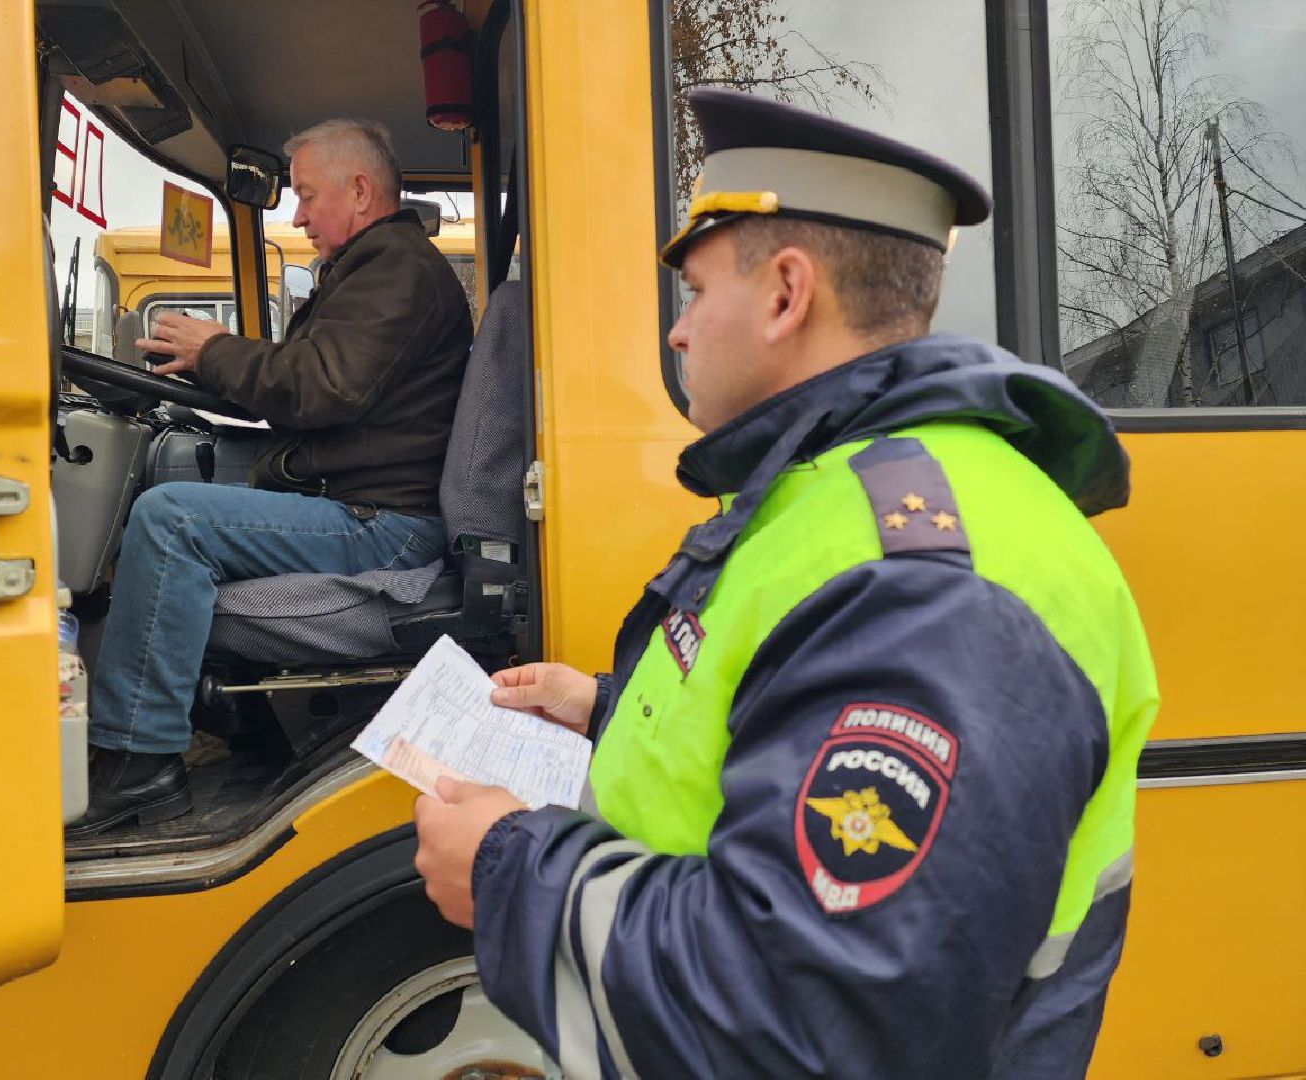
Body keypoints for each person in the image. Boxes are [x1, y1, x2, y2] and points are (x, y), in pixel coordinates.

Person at [413, 88, 1159, 1077]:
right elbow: (773, 714)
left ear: (786, 294)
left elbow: (807, 1024)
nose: (678, 333)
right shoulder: (832, 492)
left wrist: (507, 871)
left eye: (694, 293)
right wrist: (603, 708)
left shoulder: (930, 588)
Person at [70, 118, 472, 837]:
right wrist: (207, 364)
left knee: (171, 518)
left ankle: (137, 760)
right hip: (355, 495)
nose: (299, 215)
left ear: (359, 190)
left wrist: (217, 349)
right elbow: (306, 381)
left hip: (383, 525)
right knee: (170, 485)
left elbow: (321, 387)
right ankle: (215, 719)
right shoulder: (372, 267)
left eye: (308, 196)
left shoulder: (396, 271)